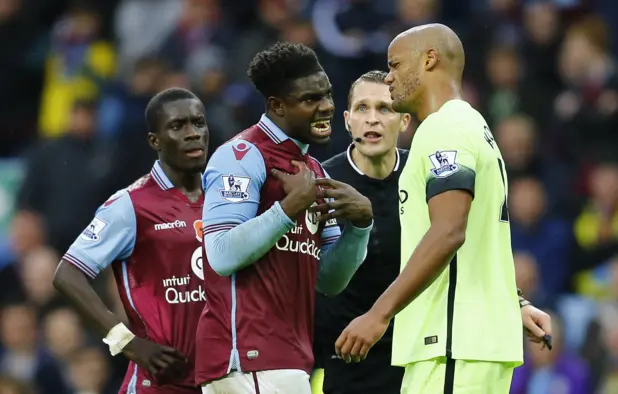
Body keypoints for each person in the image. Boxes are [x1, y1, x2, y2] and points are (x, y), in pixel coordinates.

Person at [336, 24, 553, 393]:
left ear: (430, 59)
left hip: (452, 344)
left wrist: (379, 314)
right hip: (467, 346)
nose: (388, 78)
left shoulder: (443, 128)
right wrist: (513, 302)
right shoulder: (474, 124)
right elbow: (479, 242)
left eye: (395, 65)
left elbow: (449, 230)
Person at [195, 42, 373, 394]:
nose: (326, 107)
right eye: (310, 100)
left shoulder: (313, 170)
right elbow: (220, 253)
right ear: (277, 106)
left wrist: (360, 227)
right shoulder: (241, 156)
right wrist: (289, 209)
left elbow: (329, 280)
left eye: (327, 95)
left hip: (287, 358)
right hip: (247, 359)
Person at [53, 87, 209, 393]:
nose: (193, 134)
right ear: (155, 141)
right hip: (160, 383)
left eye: (199, 123)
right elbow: (67, 275)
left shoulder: (224, 198)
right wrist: (128, 343)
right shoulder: (131, 205)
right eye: (178, 126)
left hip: (220, 379)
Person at [313, 70, 410, 394]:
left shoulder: (424, 174)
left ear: (405, 121)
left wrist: (517, 303)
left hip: (418, 356)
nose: (372, 120)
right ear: (346, 120)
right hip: (348, 358)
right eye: (362, 109)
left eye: (385, 109)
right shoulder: (323, 182)